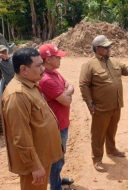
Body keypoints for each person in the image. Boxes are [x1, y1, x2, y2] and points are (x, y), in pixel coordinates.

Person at [79, 35, 128, 172]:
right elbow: (83, 85)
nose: (109, 48)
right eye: (106, 47)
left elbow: (126, 71)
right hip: (101, 108)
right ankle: (97, 159)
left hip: (116, 105)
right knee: (98, 134)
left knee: (112, 130)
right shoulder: (89, 65)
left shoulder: (114, 61)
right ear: (98, 49)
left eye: (109, 46)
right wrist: (90, 104)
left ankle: (111, 149)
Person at [1, 48, 63, 190]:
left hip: (41, 156)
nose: (43, 68)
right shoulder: (17, 95)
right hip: (34, 162)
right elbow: (20, 136)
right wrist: (34, 166)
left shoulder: (31, 84)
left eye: (42, 64)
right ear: (24, 69)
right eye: (38, 65)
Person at [38, 44, 74, 190]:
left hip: (62, 123)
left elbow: (69, 85)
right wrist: (68, 92)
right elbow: (66, 100)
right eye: (57, 57)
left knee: (59, 157)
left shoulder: (55, 73)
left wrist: (68, 90)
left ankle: (57, 180)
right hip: (56, 127)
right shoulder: (46, 79)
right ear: (47, 59)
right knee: (56, 159)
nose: (60, 59)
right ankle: (56, 186)